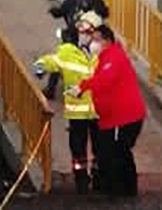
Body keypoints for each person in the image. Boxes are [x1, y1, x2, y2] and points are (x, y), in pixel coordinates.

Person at [75, 25, 146, 198]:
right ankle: (125, 189)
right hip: (116, 117)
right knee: (119, 151)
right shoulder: (107, 57)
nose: (93, 44)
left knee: (115, 152)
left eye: (97, 40)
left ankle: (117, 190)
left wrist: (82, 86)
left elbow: (105, 80)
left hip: (122, 118)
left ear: (107, 41)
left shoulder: (113, 57)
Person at [34, 11, 101, 194]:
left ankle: (98, 179)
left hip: (98, 112)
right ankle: (81, 181)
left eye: (89, 31)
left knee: (99, 149)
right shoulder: (67, 52)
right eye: (82, 30)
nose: (85, 34)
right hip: (77, 113)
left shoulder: (102, 53)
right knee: (78, 150)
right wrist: (40, 65)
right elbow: (52, 61)